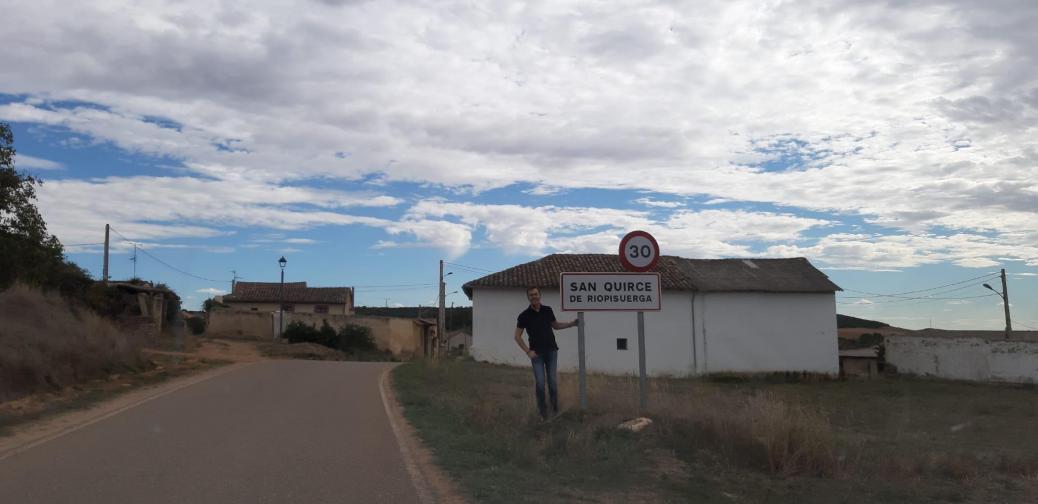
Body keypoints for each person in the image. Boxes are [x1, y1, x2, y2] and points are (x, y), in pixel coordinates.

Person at [514, 286, 578, 420]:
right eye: (531, 295)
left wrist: (571, 324)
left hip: (551, 351)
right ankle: (543, 412)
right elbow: (517, 336)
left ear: (540, 295)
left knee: (552, 382)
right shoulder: (524, 315)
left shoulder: (547, 310)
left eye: (536, 294)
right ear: (528, 298)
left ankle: (555, 409)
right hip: (536, 354)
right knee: (540, 383)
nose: (534, 296)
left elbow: (556, 326)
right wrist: (527, 351)